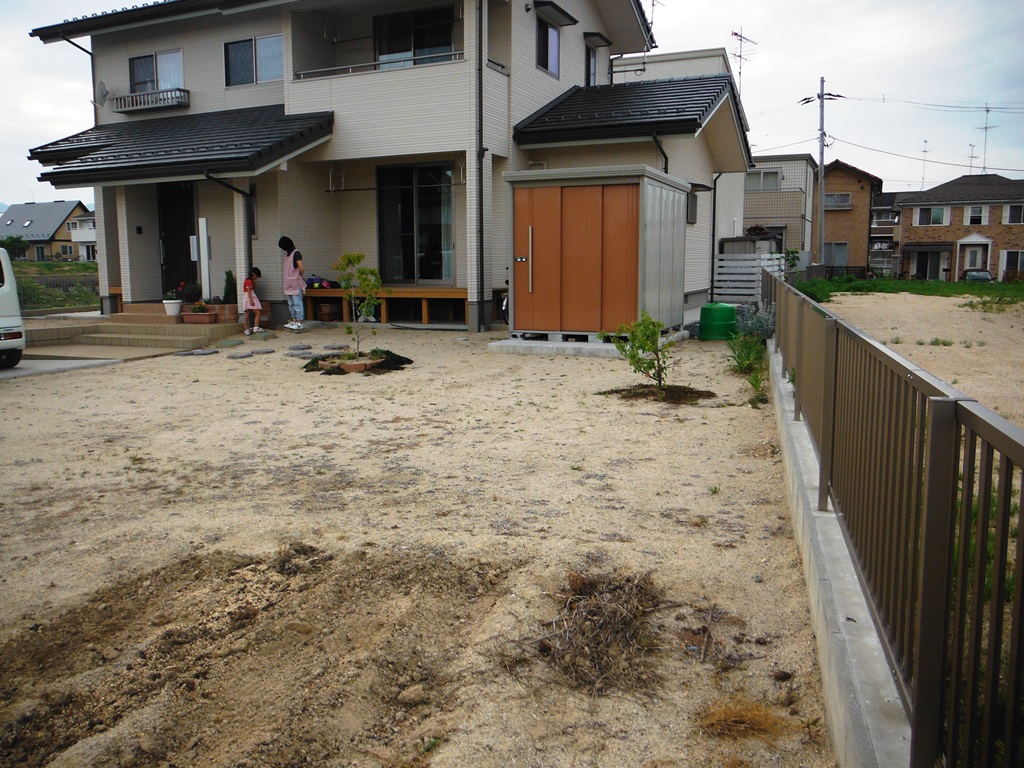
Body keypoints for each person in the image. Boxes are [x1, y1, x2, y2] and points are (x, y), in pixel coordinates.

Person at [279, 236, 305, 330]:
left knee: (297, 303)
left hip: (295, 282)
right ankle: (294, 320)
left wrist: (299, 276)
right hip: (288, 282)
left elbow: (301, 268)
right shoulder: (287, 255)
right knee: (291, 304)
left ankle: (299, 322)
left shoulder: (296, 253)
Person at [241, 267, 262, 335]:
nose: (256, 278)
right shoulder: (249, 281)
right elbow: (249, 290)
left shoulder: (247, 281)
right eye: (256, 276)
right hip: (250, 297)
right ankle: (256, 327)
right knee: (257, 312)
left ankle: (246, 329)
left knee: (247, 314)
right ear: (254, 275)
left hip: (247, 297)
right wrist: (251, 300)